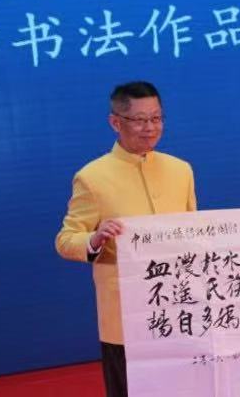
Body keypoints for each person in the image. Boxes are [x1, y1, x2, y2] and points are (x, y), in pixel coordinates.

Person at [55, 81, 196, 397]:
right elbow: (65, 240)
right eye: (140, 120)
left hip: (179, 308)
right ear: (115, 122)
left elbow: (191, 229)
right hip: (125, 317)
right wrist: (94, 239)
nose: (150, 128)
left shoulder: (181, 170)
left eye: (156, 118)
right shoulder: (92, 177)